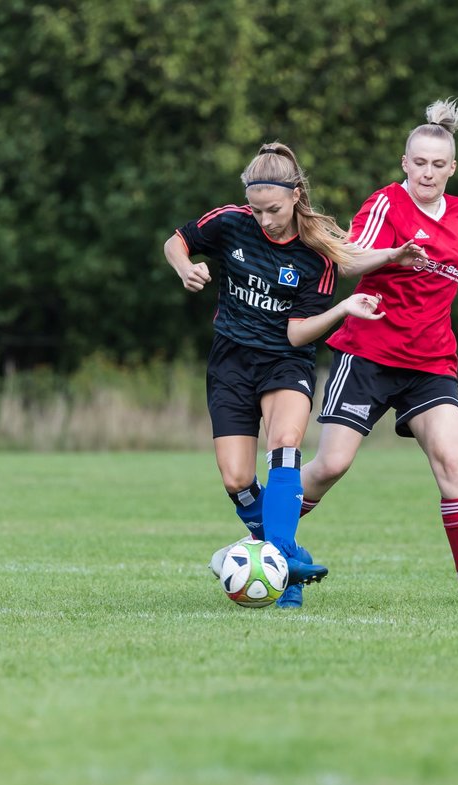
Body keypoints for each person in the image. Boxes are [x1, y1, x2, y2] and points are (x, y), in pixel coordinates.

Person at [300, 98, 458, 605]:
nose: (428, 172)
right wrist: (393, 254)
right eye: (420, 163)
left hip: (430, 362)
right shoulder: (386, 204)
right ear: (405, 164)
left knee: (452, 462)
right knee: (330, 467)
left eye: (439, 165)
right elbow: (347, 261)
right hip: (367, 354)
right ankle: (262, 531)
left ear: (452, 168)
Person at [165, 142, 414, 608]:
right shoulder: (230, 222)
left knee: (284, 444)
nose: (264, 219)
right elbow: (176, 241)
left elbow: (299, 334)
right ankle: (290, 554)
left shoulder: (314, 255)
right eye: (256, 209)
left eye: (273, 210)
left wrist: (344, 306)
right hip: (231, 361)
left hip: (285, 360)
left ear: (296, 195)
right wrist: (184, 267)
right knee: (237, 480)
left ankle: (284, 573)